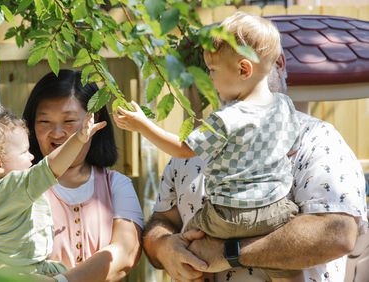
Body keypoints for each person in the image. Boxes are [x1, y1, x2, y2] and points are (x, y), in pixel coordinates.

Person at [142, 50, 368, 282]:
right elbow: (162, 220)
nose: (240, 73)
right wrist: (164, 247)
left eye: (245, 65)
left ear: (278, 64)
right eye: (222, 66)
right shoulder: (196, 145)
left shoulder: (317, 139)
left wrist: (227, 254)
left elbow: (337, 233)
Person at [115, 12, 301, 279]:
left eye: (212, 71)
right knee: (287, 264)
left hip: (227, 215)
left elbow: (183, 149)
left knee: (190, 247)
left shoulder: (228, 118)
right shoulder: (284, 106)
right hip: (275, 210)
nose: (210, 80)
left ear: (243, 69)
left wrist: (143, 125)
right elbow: (290, 145)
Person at [0, 106, 105, 276]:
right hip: (29, 272)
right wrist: (79, 139)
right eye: (24, 152)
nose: (31, 157)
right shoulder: (15, 187)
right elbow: (51, 166)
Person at [22, 69, 144, 282]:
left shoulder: (117, 185)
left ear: (94, 121)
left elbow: (125, 253)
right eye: (44, 122)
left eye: (69, 121)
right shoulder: (18, 185)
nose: (57, 133)